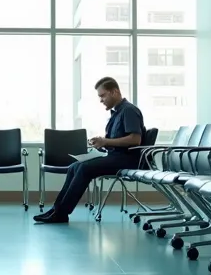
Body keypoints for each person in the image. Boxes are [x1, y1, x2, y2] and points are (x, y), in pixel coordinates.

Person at [35, 77, 145, 224]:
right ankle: (57, 210)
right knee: (74, 166)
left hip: (128, 159)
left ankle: (61, 213)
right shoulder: (117, 113)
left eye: (103, 95)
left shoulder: (129, 110)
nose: (101, 100)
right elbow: (117, 141)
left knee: (85, 168)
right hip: (116, 157)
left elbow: (135, 139)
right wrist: (102, 143)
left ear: (114, 92)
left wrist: (105, 141)